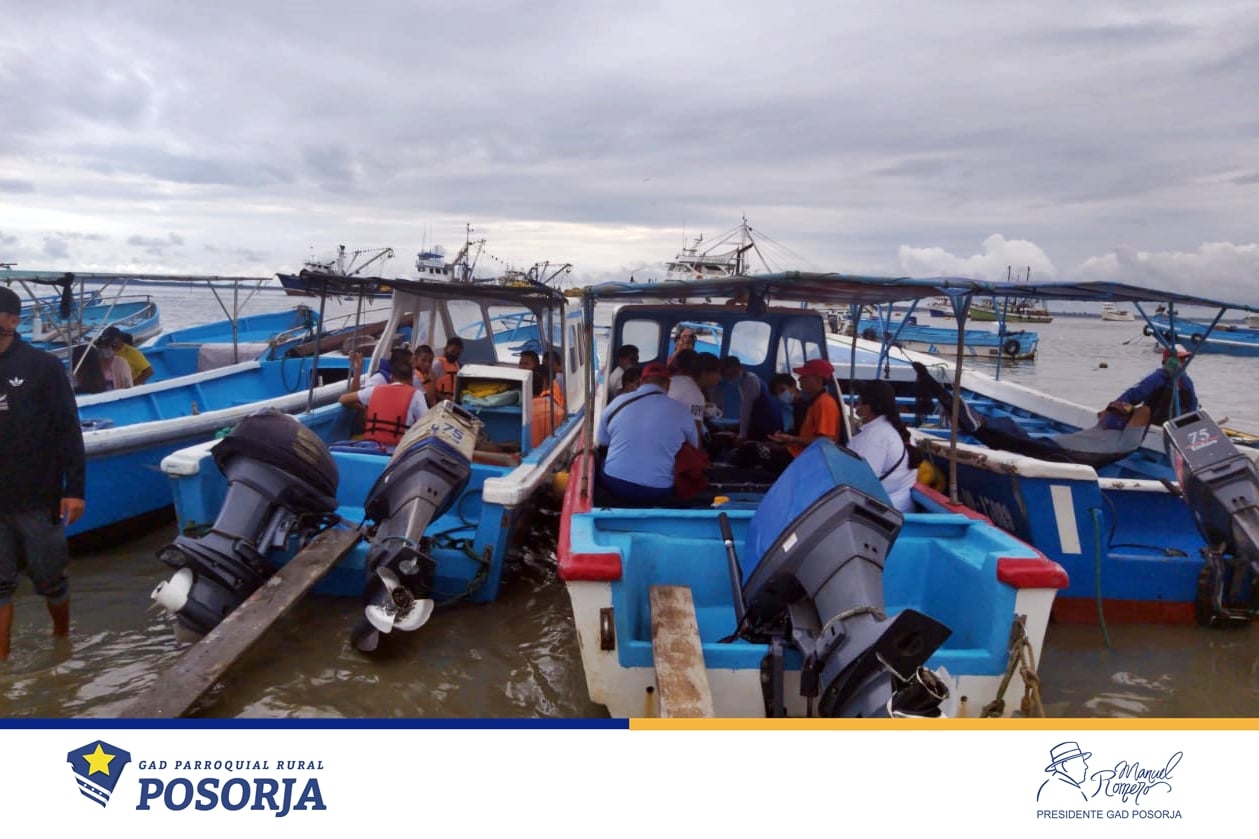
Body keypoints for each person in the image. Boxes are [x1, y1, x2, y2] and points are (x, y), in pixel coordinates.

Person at [0, 285, 85, 660]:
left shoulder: (43, 367)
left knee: (51, 582)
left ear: (12, 321)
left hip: (38, 497)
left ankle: (62, 641)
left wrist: (75, 489)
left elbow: (68, 429)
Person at [596, 361, 699, 506]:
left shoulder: (618, 402)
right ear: (668, 385)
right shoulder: (682, 411)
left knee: (602, 461)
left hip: (615, 483)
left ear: (641, 381)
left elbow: (603, 441)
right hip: (658, 490)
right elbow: (694, 446)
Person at [847, 381, 919, 512]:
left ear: (868, 408)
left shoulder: (875, 437)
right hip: (902, 504)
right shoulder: (896, 431)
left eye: (859, 402)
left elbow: (862, 480)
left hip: (883, 511)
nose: (856, 407)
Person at [1099, 343, 1198, 430]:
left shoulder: (1187, 381)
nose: (1183, 362)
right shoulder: (1157, 377)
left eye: (1184, 359)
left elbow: (1193, 406)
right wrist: (1112, 412)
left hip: (1177, 427)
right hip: (1155, 423)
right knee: (1143, 410)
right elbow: (1132, 395)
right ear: (1168, 360)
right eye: (1180, 359)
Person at [340, 353, 428, 448]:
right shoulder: (417, 394)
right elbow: (426, 422)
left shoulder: (375, 390)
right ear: (411, 380)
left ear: (391, 377)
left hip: (373, 448)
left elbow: (343, 399)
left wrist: (363, 409)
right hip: (398, 450)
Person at [767, 358, 843, 458]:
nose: (799, 379)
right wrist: (783, 444)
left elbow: (825, 441)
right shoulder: (814, 403)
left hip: (807, 458)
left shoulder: (825, 403)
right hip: (798, 453)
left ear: (818, 380)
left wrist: (792, 439)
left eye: (804, 376)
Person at [430, 336, 464, 403]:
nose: (454, 355)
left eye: (457, 354)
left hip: (452, 402)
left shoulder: (456, 365)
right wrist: (442, 397)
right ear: (446, 349)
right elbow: (430, 387)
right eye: (452, 351)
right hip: (438, 402)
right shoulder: (437, 364)